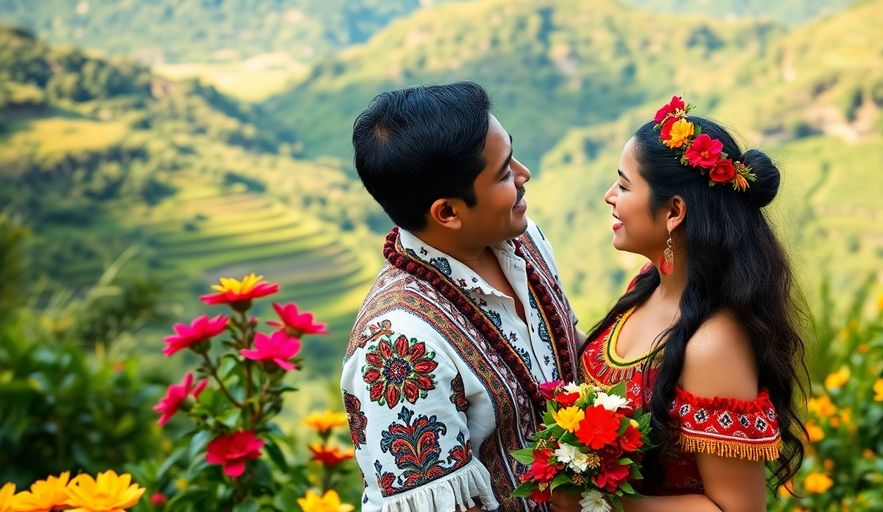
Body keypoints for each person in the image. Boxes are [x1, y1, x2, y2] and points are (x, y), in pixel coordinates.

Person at [553, 96, 806, 511]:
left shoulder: (713, 345)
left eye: (624, 184)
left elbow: (736, 509)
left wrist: (596, 501)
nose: (608, 195)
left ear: (673, 212)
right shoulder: (648, 283)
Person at [341, 81, 579, 512]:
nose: (525, 175)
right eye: (505, 173)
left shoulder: (526, 243)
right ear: (447, 212)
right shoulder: (398, 347)